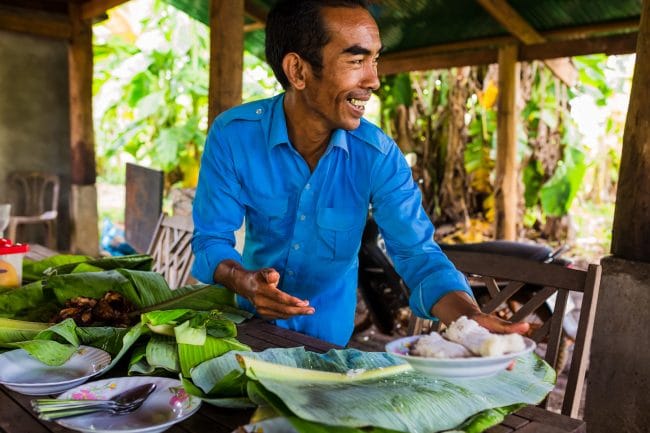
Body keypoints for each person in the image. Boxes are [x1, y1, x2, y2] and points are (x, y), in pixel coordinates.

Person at [191, 0, 529, 346]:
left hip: (327, 347)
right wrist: (244, 281)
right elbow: (211, 240)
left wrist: (468, 318)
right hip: (247, 332)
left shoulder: (378, 156)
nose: (374, 80)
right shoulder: (234, 135)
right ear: (298, 70)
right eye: (356, 61)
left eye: (375, 60)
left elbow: (418, 255)